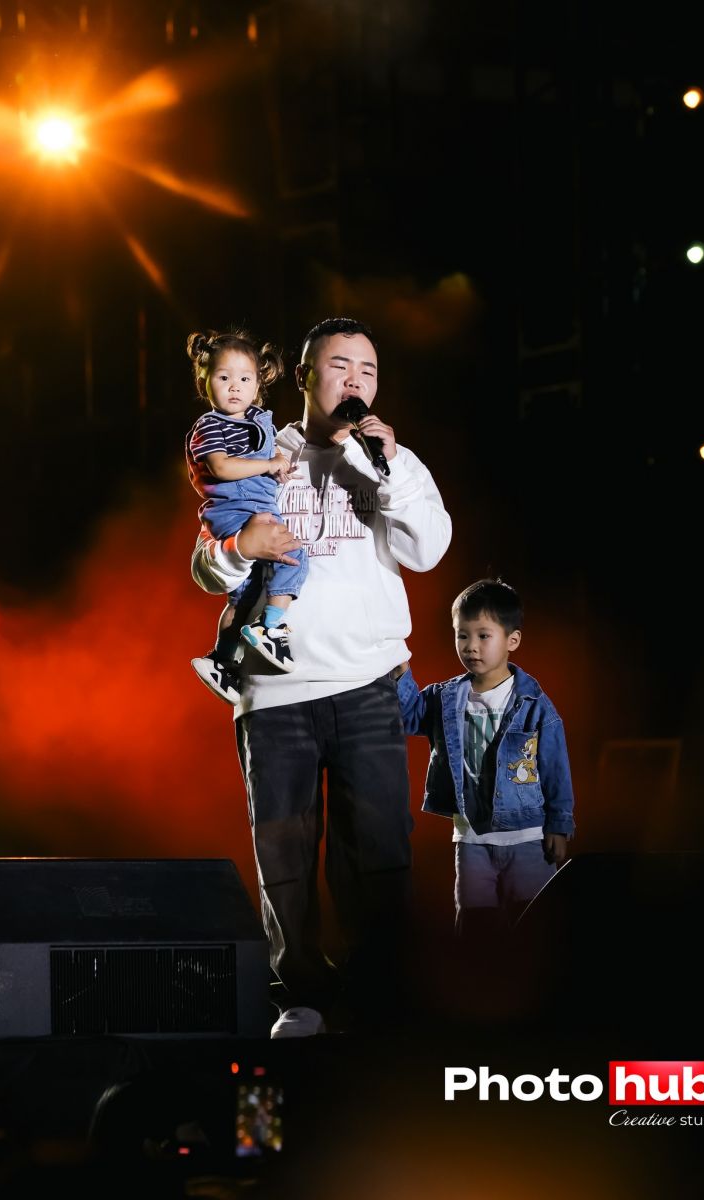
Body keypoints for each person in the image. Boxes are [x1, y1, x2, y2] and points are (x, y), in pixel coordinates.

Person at [190, 316, 452, 1038]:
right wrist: (239, 548)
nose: (355, 381)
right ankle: (300, 997)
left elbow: (429, 549)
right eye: (340, 367)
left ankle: (378, 997)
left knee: (378, 850)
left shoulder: (393, 460)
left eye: (368, 371)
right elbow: (207, 566)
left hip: (368, 683)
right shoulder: (256, 448)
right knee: (283, 852)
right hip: (274, 692)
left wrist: (387, 470)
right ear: (306, 377)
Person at [394, 577, 575, 946]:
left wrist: (559, 824)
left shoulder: (534, 704)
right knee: (476, 926)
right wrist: (399, 672)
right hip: (472, 838)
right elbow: (409, 717)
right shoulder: (446, 697)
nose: (470, 646)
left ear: (512, 640)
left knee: (533, 925)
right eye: (462, 635)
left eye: (483, 635)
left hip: (527, 836)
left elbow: (555, 766)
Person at [185, 328, 308, 705]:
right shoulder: (210, 426)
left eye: (244, 379)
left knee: (243, 595)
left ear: (257, 385)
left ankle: (223, 660)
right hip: (235, 509)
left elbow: (264, 458)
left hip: (251, 505)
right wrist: (267, 464)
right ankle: (271, 627)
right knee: (295, 555)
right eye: (224, 378)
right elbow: (221, 467)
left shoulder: (258, 420)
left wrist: (277, 464)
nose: (234, 387)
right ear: (206, 383)